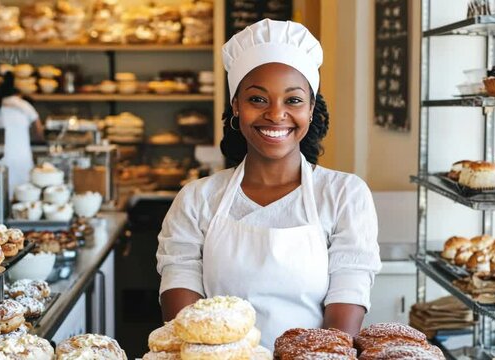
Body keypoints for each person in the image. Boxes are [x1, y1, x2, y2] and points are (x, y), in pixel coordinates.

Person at [156, 19, 381, 349]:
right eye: (258, 99)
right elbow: (182, 304)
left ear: (311, 108)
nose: (276, 115)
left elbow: (348, 293)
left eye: (293, 100)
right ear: (236, 105)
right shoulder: (197, 198)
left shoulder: (344, 195)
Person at [0, 71, 44, 199]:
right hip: (22, 157)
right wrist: (38, 139)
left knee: (4, 194)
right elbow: (38, 129)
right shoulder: (24, 105)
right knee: (24, 194)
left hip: (2, 158)